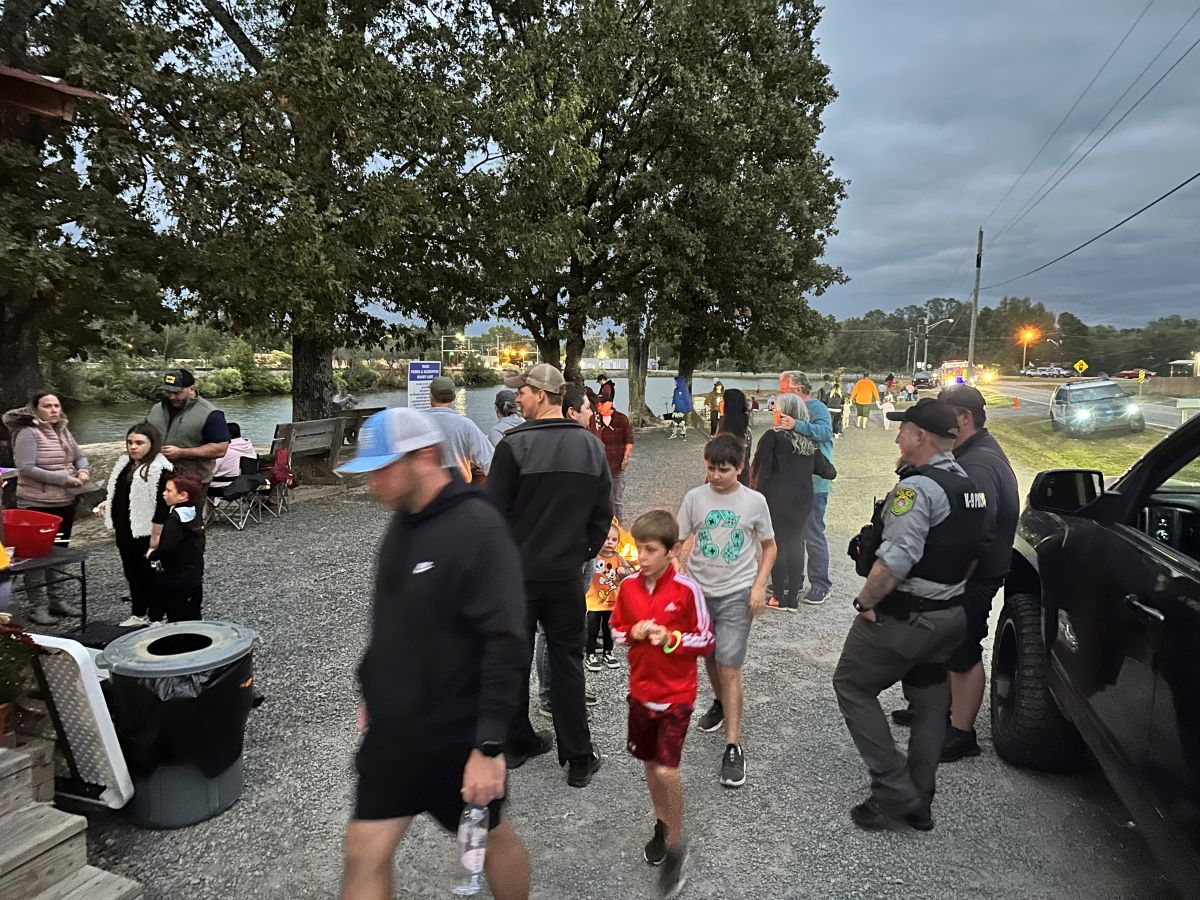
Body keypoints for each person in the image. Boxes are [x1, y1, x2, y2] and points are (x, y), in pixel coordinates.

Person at [335, 408, 530, 900]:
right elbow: (395, 619)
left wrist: (488, 747)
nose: (372, 481)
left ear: (424, 456)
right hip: (396, 732)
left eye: (382, 467)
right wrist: (373, 686)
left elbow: (506, 641)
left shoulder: (478, 527)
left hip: (455, 735)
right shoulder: (405, 522)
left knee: (491, 841)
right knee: (363, 852)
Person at [833, 398, 987, 832]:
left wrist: (865, 601)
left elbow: (895, 562)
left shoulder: (915, 490)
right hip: (948, 617)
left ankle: (893, 789)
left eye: (904, 430)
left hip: (906, 618)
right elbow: (978, 552)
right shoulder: (969, 487)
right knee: (929, 705)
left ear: (920, 436)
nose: (898, 435)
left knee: (851, 684)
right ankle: (920, 802)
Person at [487, 363, 612, 787]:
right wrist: (583, 553)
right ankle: (578, 757)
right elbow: (602, 513)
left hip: (518, 575)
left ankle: (516, 742)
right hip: (564, 573)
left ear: (541, 395)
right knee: (567, 660)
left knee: (514, 659)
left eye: (522, 391)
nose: (516, 397)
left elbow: (493, 515)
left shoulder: (512, 446)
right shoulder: (590, 446)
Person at [890, 385, 1020, 763]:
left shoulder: (977, 465)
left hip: (970, 576)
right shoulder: (967, 453)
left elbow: (975, 530)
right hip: (960, 573)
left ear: (964, 418)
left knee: (961, 651)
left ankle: (962, 733)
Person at [611, 508, 714, 897]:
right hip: (641, 693)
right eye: (639, 548)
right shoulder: (629, 588)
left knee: (668, 771)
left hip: (676, 695)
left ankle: (675, 847)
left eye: (650, 549)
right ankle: (661, 823)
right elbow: (616, 630)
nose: (641, 556)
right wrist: (633, 632)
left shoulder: (687, 590)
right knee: (651, 766)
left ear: (670, 551)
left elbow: (706, 641)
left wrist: (670, 639)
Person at [677, 433, 776, 788]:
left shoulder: (754, 502)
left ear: (739, 468)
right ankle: (719, 702)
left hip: (737, 593)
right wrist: (678, 568)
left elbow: (769, 547)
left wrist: (759, 585)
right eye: (710, 468)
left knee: (729, 665)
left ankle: (733, 746)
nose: (716, 476)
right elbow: (678, 540)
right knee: (709, 655)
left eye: (723, 470)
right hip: (701, 594)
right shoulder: (694, 498)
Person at [3, 391, 90, 624]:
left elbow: (79, 456)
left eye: (57, 405)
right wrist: (63, 479)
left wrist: (83, 471)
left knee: (59, 551)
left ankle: (57, 599)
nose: (54, 410)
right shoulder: (27, 433)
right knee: (37, 556)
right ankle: (37, 606)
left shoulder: (62, 429)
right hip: (37, 503)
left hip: (65, 501)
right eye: (47, 406)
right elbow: (26, 468)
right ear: (35, 409)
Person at [751, 394, 834, 611]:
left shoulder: (773, 438)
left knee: (776, 544)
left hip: (777, 497)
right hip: (803, 498)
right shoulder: (808, 444)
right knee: (795, 542)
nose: (774, 413)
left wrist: (756, 498)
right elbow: (830, 472)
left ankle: (778, 595)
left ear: (785, 412)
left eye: (776, 409)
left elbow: (762, 472)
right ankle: (793, 599)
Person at [96, 424, 172, 626]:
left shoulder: (159, 469)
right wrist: (108, 504)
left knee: (152, 574)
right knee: (132, 572)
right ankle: (139, 613)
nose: (133, 447)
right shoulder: (124, 465)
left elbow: (162, 507)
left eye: (139, 443)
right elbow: (120, 493)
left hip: (146, 530)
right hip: (125, 529)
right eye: (130, 442)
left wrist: (156, 537)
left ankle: (157, 616)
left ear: (152, 444)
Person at [778, 372, 835, 605]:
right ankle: (795, 579)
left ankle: (821, 584)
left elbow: (825, 432)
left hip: (816, 480)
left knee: (813, 532)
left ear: (799, 389)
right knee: (794, 533)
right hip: (794, 480)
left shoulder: (816, 407)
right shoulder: (789, 408)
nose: (782, 394)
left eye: (785, 390)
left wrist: (796, 424)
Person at [145, 369, 231, 485]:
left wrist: (182, 452)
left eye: (177, 393)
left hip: (191, 482)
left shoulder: (211, 414)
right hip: (155, 477)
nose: (171, 397)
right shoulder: (156, 409)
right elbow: (143, 434)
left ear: (192, 389)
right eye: (168, 392)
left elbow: (220, 449)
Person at [148, 473, 206, 622]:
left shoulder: (175, 519)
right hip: (194, 573)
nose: (164, 493)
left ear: (183, 496)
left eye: (168, 491)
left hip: (176, 577)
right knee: (193, 612)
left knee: (177, 616)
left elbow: (168, 546)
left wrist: (153, 555)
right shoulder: (195, 511)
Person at [584, 519, 634, 671]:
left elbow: (629, 574)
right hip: (593, 601)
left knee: (608, 629)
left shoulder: (618, 558)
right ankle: (590, 654)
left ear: (618, 542)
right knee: (592, 629)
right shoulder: (594, 557)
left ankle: (608, 652)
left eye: (614, 539)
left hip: (612, 602)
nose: (610, 542)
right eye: (606, 539)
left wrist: (623, 572)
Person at [426, 376, 493, 484]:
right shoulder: (466, 425)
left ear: (431, 396)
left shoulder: (420, 423)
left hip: (427, 494)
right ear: (454, 397)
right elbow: (489, 462)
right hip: (459, 493)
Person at [590, 400, 633, 521]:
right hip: (600, 466)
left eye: (602, 404)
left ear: (610, 403)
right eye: (597, 404)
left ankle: (618, 527)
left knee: (616, 500)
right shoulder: (594, 420)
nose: (599, 407)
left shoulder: (621, 419)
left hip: (617, 466)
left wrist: (625, 458)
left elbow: (628, 439)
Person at [716, 389, 753, 488]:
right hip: (743, 475)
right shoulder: (743, 427)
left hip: (730, 480)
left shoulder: (727, 433)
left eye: (723, 401)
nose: (721, 403)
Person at [669, 376, 692, 441]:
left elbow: (688, 399)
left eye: (676, 381)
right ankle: (674, 434)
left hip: (683, 409)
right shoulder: (675, 390)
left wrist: (689, 409)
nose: (675, 382)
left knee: (683, 423)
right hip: (676, 409)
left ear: (679, 382)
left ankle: (683, 435)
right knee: (675, 422)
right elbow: (674, 398)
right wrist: (673, 404)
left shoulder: (685, 389)